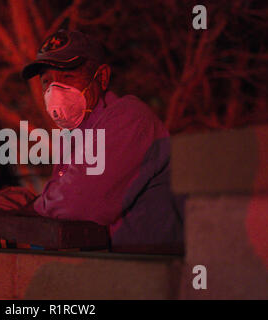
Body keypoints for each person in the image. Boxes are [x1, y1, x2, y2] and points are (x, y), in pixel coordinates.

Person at [21, 30, 184, 253]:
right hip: (124, 269)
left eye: (68, 77)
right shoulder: (75, 135)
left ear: (102, 77)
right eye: (47, 81)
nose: (54, 91)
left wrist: (31, 205)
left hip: (156, 269)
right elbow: (63, 200)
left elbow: (77, 202)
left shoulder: (129, 118)